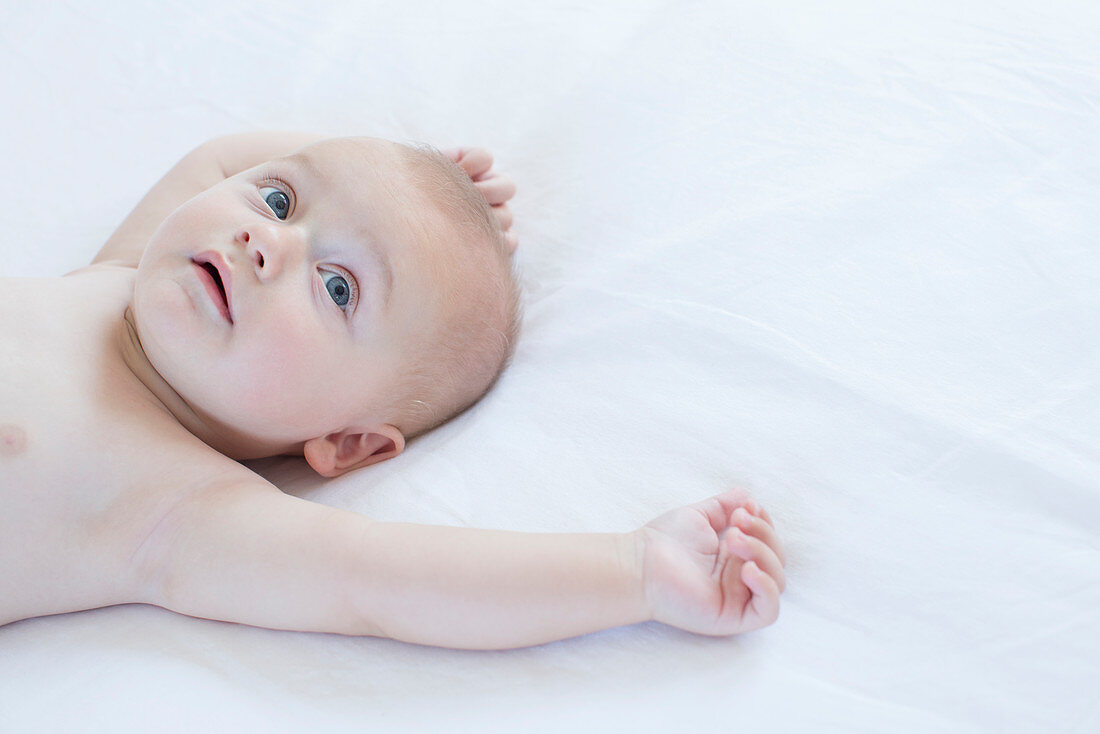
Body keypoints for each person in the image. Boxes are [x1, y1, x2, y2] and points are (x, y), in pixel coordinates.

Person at [0, 132, 786, 650]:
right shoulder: (121, 277)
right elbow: (218, 161)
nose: (266, 239)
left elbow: (386, 584)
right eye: (280, 201)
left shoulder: (175, 510)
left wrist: (636, 572)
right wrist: (424, 184)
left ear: (346, 443)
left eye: (338, 287)